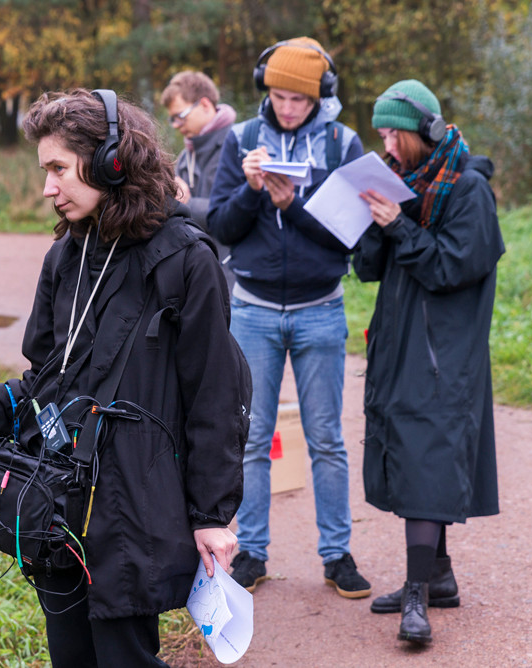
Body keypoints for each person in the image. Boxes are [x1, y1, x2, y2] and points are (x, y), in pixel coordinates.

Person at [0, 88, 248, 667]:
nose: (48, 188)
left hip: (132, 516)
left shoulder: (186, 261)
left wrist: (213, 515)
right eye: (45, 172)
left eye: (59, 169)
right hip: (58, 509)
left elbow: (216, 399)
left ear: (112, 160)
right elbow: (47, 383)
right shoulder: (66, 255)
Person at [207, 36, 372, 598]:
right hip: (251, 311)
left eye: (299, 99)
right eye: (278, 96)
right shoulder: (242, 140)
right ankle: (251, 551)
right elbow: (221, 228)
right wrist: (254, 191)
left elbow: (348, 233)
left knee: (327, 438)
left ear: (321, 95)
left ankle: (337, 555)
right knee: (250, 438)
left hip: (320, 309)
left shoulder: (342, 143)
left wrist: (291, 205)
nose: (287, 107)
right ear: (265, 90)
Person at [354, 79, 503, 644]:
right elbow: (371, 269)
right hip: (398, 343)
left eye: (394, 132)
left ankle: (417, 598)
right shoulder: (405, 184)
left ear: (427, 130)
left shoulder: (468, 191)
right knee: (412, 456)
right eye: (383, 135)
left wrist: (399, 225)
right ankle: (437, 578)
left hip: (444, 353)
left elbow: (450, 269)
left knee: (426, 459)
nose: (388, 145)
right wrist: (370, 222)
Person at [160, 70, 237, 289]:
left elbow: (235, 215)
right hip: (196, 273)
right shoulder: (186, 155)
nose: (175, 125)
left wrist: (185, 203)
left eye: (180, 116)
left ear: (205, 104)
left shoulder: (237, 146)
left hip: (232, 279)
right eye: (172, 118)